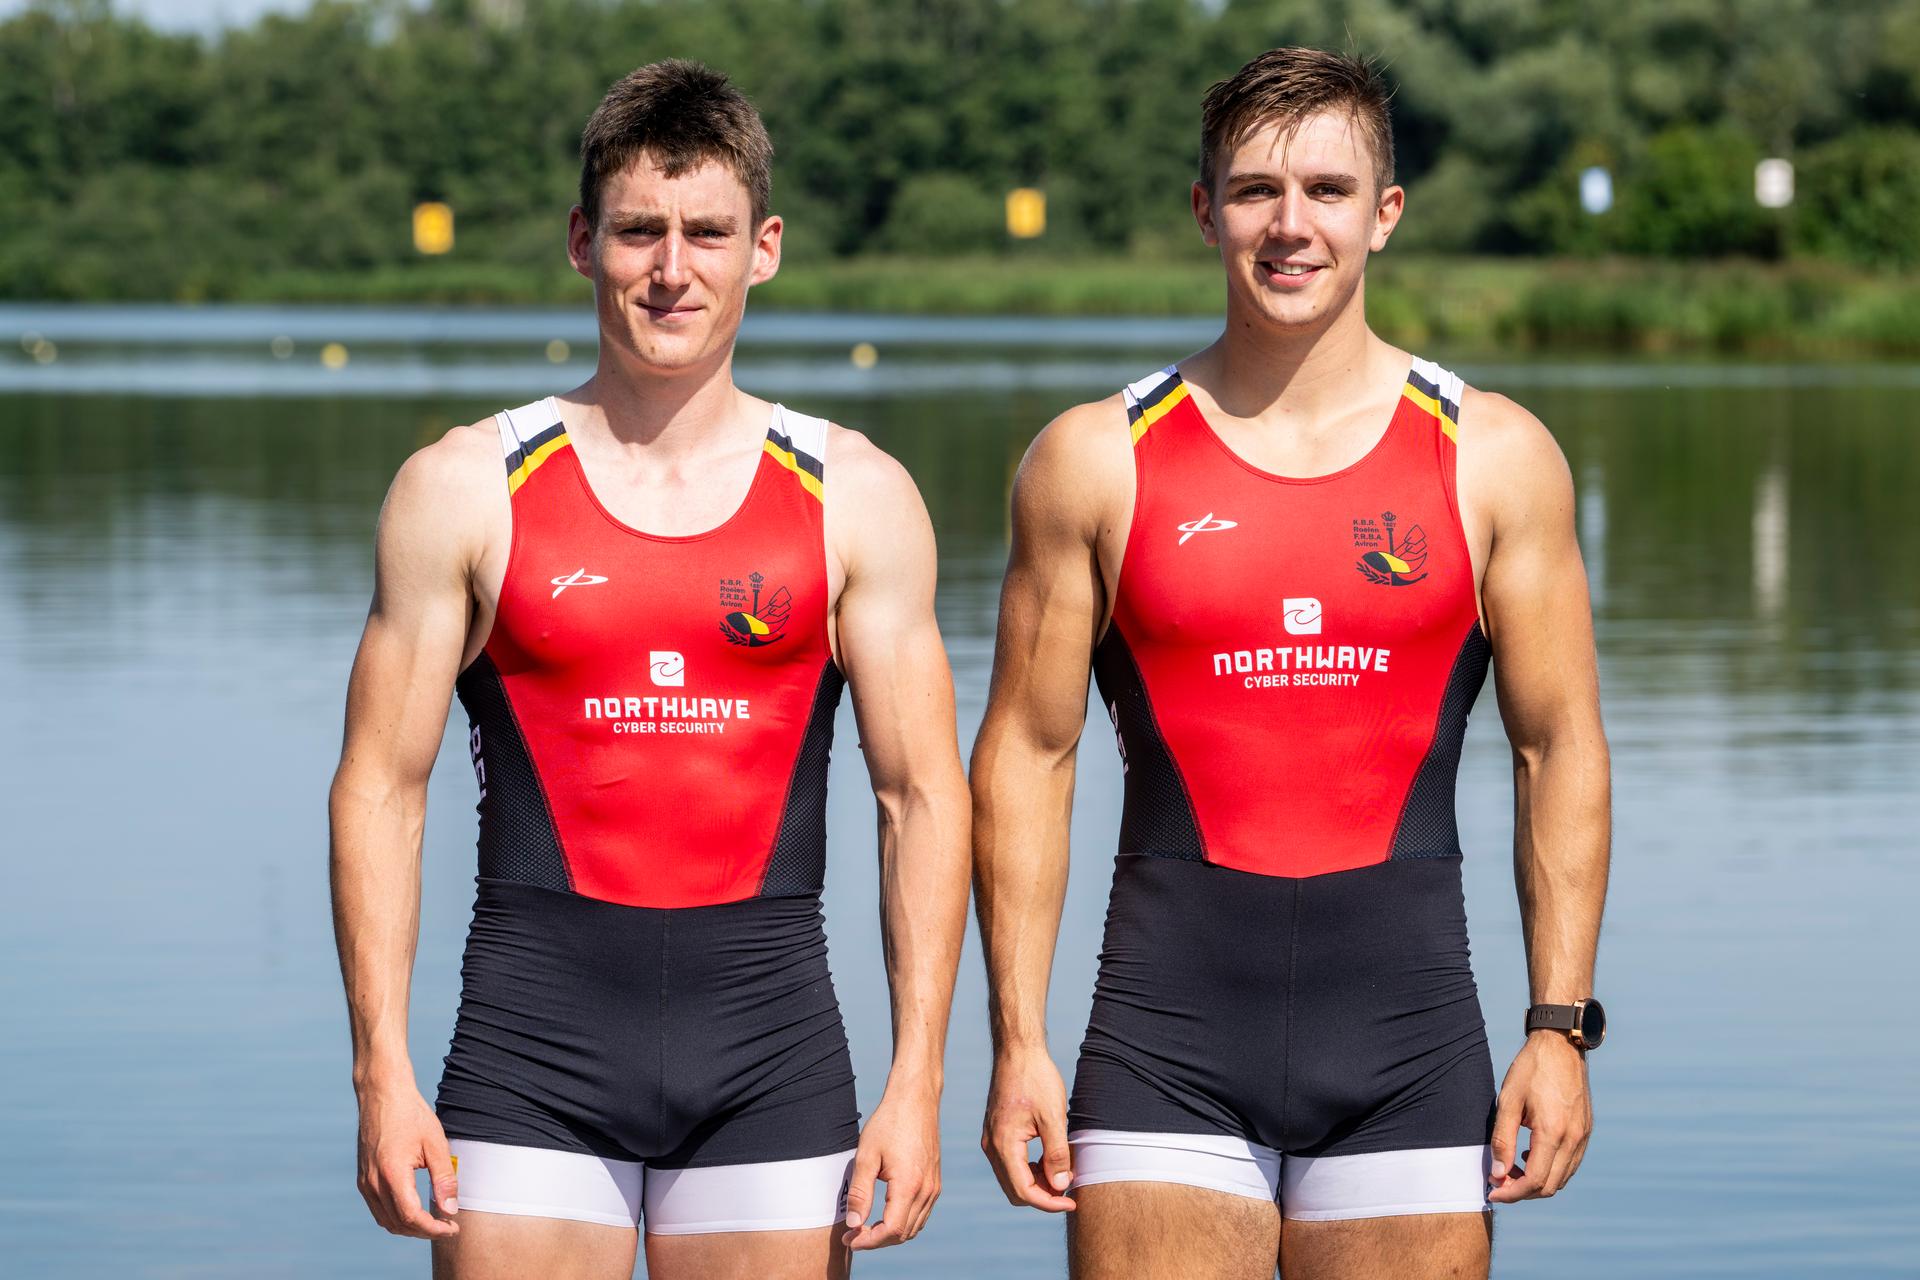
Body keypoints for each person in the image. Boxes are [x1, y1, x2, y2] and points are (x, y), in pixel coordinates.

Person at [971, 47, 1611, 1280]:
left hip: (1410, 1050)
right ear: (1205, 208)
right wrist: (1017, 1042)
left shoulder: (1495, 455)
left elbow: (1559, 743)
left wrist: (1559, 1025)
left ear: (1385, 214)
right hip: (1163, 1040)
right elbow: (1025, 755)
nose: (1290, 224)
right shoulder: (1094, 460)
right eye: (1256, 190)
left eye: (1325, 189)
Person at [329, 60, 970, 1280]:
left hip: (771, 1060)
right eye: (638, 230)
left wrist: (918, 1077)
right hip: (529, 1057)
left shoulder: (856, 495)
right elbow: (379, 787)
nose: (671, 267)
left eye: (706, 232)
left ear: (763, 248)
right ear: (584, 241)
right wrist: (381, 1067)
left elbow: (921, 797)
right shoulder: (463, 486)